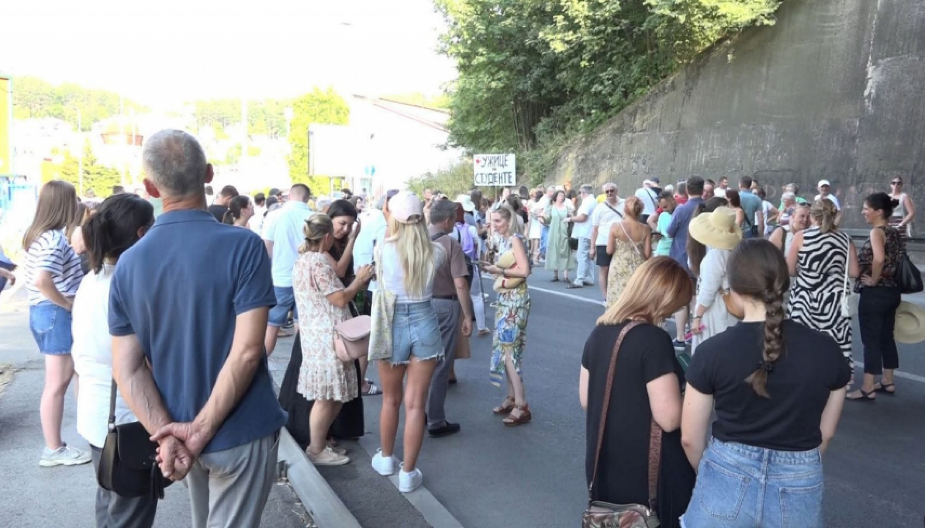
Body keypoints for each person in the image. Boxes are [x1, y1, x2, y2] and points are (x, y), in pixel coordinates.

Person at [110, 130, 286, 527]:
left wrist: (168, 434)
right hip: (241, 427)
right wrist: (200, 430)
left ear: (150, 187)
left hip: (175, 426)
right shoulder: (244, 246)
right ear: (208, 174)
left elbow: (127, 369)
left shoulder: (129, 264)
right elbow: (246, 351)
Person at [681, 239, 850, 528]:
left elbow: (690, 439)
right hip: (799, 481)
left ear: (734, 289)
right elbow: (827, 433)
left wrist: (715, 472)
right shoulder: (828, 350)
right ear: (783, 283)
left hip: (726, 475)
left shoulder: (711, 352)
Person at [580, 257, 696, 528]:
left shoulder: (598, 333)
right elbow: (669, 418)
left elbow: (586, 399)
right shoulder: (652, 340)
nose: (677, 310)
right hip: (647, 473)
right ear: (663, 296)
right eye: (676, 303)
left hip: (604, 466)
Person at [71, 194, 157, 527]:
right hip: (128, 420)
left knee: (109, 503)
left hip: (97, 416)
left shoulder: (90, 281)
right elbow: (143, 363)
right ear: (140, 234)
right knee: (130, 514)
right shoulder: (129, 289)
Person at [370, 191, 445, 493]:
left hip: (393, 322)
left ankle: (387, 458)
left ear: (393, 217)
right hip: (425, 320)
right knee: (416, 405)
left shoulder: (382, 249)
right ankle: (408, 473)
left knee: (391, 399)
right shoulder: (435, 251)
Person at [292, 213, 373, 465]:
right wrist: (359, 281)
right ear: (326, 237)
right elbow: (339, 299)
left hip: (317, 336)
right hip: (327, 337)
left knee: (332, 394)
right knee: (327, 396)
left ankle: (320, 445)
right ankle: (316, 449)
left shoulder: (303, 260)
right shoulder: (318, 262)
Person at [22, 180, 89, 467]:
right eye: (73, 199)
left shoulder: (37, 235)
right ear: (64, 203)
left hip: (44, 312)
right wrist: (66, 303)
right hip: (55, 313)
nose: (77, 204)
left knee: (65, 379)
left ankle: (65, 442)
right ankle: (54, 449)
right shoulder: (52, 238)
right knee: (56, 385)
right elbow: (42, 279)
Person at [787, 199, 858, 373]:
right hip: (834, 302)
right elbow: (854, 272)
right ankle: (834, 381)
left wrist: (806, 272)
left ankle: (803, 381)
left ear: (812, 216)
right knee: (834, 344)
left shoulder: (801, 237)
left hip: (804, 299)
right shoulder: (845, 239)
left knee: (801, 344)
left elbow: (789, 269)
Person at [480, 204, 533, 426]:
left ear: (509, 220)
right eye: (492, 222)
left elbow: (524, 270)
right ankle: (512, 398)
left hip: (515, 301)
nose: (494, 226)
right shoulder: (506, 240)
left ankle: (522, 404)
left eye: (498, 222)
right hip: (506, 299)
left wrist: (498, 271)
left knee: (510, 351)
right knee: (504, 349)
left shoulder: (515, 239)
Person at [849, 193, 904, 401]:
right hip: (892, 291)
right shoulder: (895, 232)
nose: (863, 212)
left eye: (866, 208)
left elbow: (879, 258)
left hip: (876, 293)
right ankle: (888, 380)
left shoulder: (876, 232)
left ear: (878, 211)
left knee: (870, 339)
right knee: (886, 336)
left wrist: (872, 279)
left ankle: (867, 386)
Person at [426, 199, 474, 437]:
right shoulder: (449, 243)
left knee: (420, 362)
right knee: (440, 364)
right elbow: (460, 283)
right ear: (447, 220)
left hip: (419, 304)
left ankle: (419, 410)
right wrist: (467, 315)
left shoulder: (416, 240)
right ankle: (435, 418)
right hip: (445, 303)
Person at [262, 184, 314, 355]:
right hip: (307, 279)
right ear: (307, 197)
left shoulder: (274, 215)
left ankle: (260, 366)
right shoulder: (313, 217)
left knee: (272, 327)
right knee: (303, 327)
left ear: (290, 195)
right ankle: (301, 368)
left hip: (280, 278)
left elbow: (267, 248)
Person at [688, 207, 742, 355]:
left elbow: (708, 292)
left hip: (715, 310)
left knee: (710, 351)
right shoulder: (733, 252)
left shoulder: (715, 256)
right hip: (729, 305)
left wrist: (697, 317)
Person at [667, 176, 706, 348]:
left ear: (687, 190)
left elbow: (669, 232)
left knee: (681, 299)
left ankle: (681, 337)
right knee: (697, 297)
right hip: (703, 259)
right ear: (703, 189)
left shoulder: (682, 210)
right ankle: (695, 332)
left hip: (682, 258)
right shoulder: (708, 208)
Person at [606, 197, 651, 308]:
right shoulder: (645, 228)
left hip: (619, 266)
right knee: (636, 299)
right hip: (639, 267)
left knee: (617, 298)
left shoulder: (615, 227)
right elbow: (647, 254)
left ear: (625, 209)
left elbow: (609, 250)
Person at [590, 183, 624, 305]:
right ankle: (606, 298)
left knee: (619, 268)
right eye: (607, 191)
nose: (609, 193)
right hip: (603, 241)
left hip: (621, 241)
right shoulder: (599, 208)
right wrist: (592, 248)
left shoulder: (624, 204)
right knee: (604, 268)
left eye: (612, 191)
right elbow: (594, 229)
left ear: (616, 191)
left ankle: (619, 295)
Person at [566, 184, 597, 289]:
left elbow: (582, 217)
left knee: (582, 256)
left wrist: (570, 219)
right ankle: (589, 277)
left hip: (585, 231)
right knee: (588, 256)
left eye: (580, 193)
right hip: (589, 231)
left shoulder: (587, 202)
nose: (579, 195)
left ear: (583, 193)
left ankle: (579, 279)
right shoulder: (593, 201)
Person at [543, 190, 576, 282]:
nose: (562, 196)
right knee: (554, 251)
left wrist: (570, 217)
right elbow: (548, 220)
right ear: (556, 197)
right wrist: (541, 217)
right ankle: (555, 275)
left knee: (565, 252)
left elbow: (571, 219)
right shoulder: (551, 208)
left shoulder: (567, 208)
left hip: (564, 231)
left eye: (563, 195)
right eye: (560, 195)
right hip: (553, 232)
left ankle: (565, 276)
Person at [652, 191, 676, 257]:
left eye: (665, 207)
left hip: (674, 254)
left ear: (672, 200)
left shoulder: (681, 214)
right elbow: (659, 232)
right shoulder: (662, 215)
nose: (664, 210)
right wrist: (656, 237)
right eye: (662, 208)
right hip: (661, 252)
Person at [527, 190, 545, 265]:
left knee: (534, 240)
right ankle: (534, 258)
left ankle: (532, 257)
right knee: (536, 240)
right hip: (537, 222)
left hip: (534, 222)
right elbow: (532, 212)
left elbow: (529, 211)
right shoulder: (539, 203)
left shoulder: (531, 202)